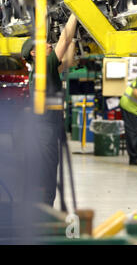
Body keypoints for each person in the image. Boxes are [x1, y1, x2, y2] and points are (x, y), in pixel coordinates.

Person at [21, 13, 78, 206]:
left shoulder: (41, 69)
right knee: (48, 172)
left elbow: (68, 61)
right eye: (43, 44)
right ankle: (44, 213)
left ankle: (44, 210)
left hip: (44, 128)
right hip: (45, 130)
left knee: (47, 170)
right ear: (33, 52)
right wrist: (76, 10)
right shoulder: (44, 65)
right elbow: (64, 39)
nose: (48, 44)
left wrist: (74, 40)